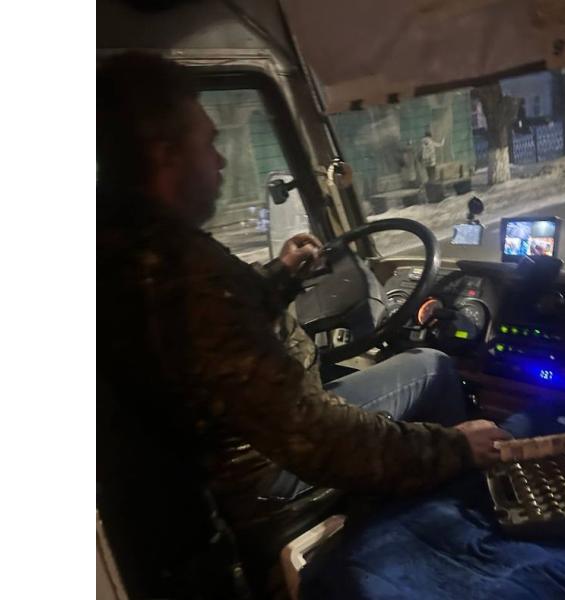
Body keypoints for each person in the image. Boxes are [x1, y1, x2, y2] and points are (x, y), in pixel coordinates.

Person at [96, 52, 511, 597]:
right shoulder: (188, 274)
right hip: (259, 476)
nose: (220, 160)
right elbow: (315, 437)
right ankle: (458, 548)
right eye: (208, 143)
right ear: (164, 153)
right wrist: (454, 447)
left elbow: (202, 336)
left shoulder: (119, 244)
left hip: (210, 475)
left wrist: (278, 278)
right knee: (431, 367)